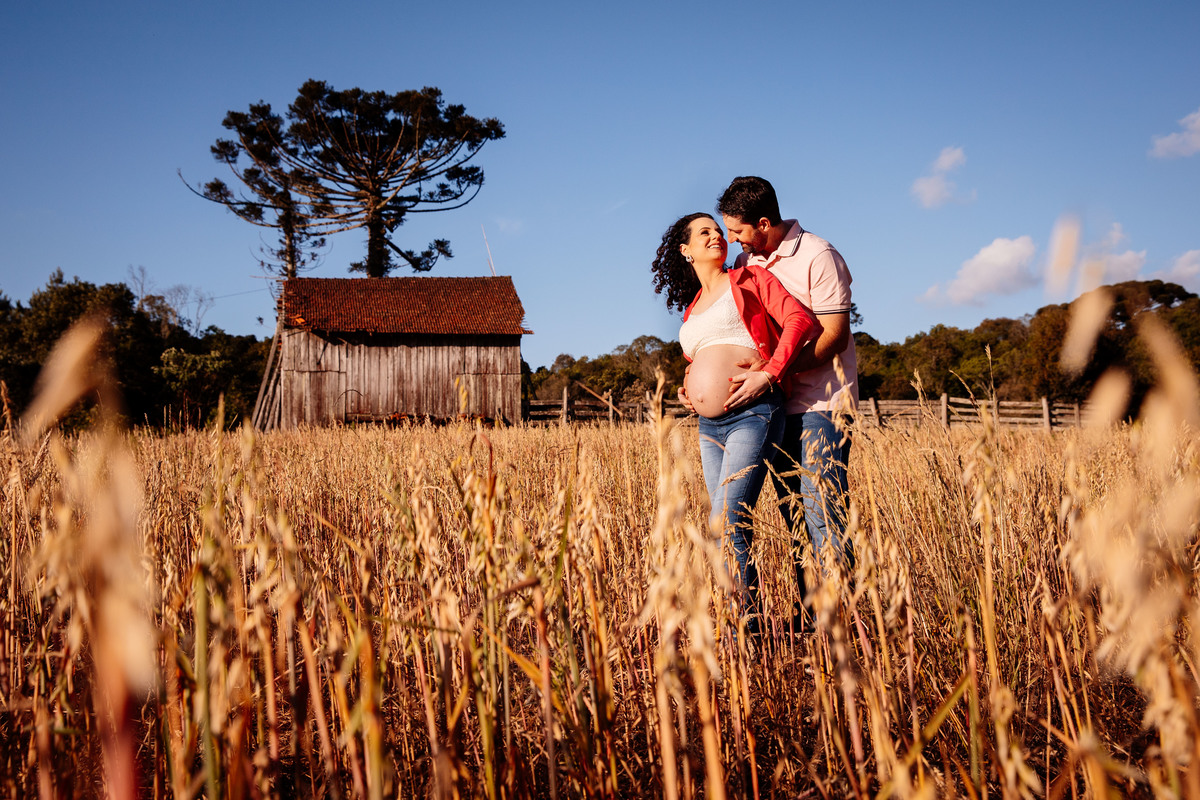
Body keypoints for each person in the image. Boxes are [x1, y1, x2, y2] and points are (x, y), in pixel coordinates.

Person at [652, 212, 820, 632]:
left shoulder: (749, 279)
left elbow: (799, 320)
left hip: (753, 413)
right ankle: (744, 622)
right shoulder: (692, 309)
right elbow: (703, 356)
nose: (716, 236)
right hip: (709, 427)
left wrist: (770, 372)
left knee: (728, 521)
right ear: (685, 250)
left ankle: (746, 627)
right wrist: (689, 387)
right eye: (704, 232)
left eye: (717, 230)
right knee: (722, 524)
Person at [716, 176, 859, 634]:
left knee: (823, 511)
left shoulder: (819, 256)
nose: (731, 240)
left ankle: (840, 623)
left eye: (737, 230)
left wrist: (774, 371)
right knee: (794, 514)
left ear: (763, 223)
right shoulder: (747, 261)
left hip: (822, 403)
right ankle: (810, 614)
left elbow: (835, 337)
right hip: (774, 406)